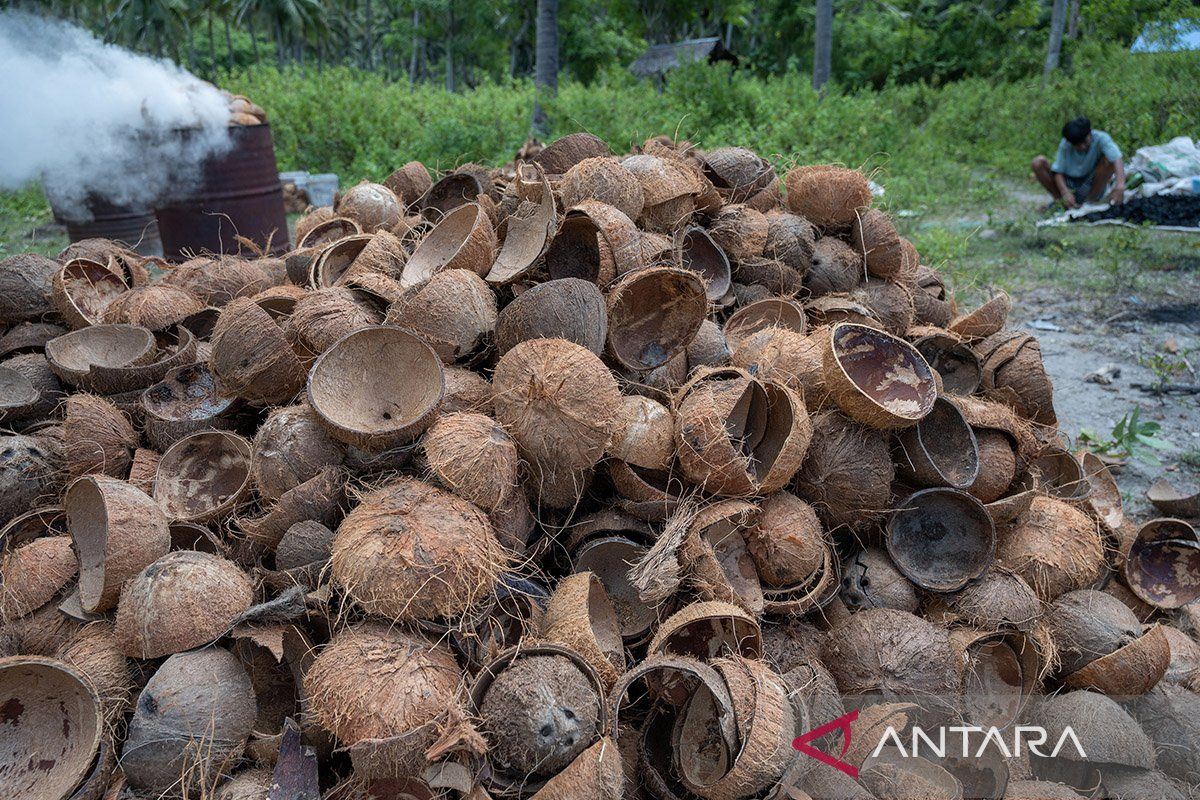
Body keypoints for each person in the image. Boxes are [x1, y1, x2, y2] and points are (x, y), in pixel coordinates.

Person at [1032, 117, 1126, 209]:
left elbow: (1117, 159)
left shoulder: (1101, 138)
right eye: (1077, 145)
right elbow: (1058, 171)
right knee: (1038, 162)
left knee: (1108, 161)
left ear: (1090, 134)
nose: (1082, 147)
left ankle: (1089, 203)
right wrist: (1065, 192)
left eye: (1084, 142)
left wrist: (1120, 185)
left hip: (1091, 182)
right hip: (1069, 181)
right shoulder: (1065, 144)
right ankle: (1062, 202)